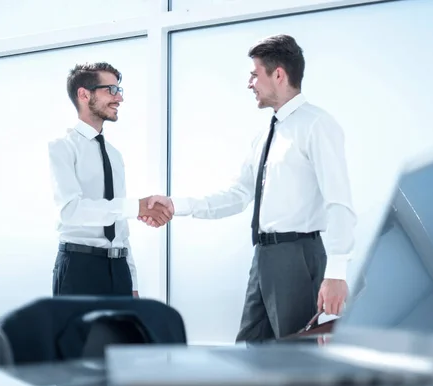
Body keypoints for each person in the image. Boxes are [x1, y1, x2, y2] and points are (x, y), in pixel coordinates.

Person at [143, 34, 356, 342]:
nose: (249, 82)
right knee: (248, 352)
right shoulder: (265, 136)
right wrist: (178, 205)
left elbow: (339, 200)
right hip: (264, 258)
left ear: (279, 74)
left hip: (298, 256)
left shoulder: (316, 125)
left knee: (297, 367)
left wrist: (337, 272)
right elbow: (239, 195)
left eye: (255, 74)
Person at [48, 62, 173, 298]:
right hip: (79, 268)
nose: (119, 99)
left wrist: (132, 280)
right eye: (111, 90)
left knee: (122, 336)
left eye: (119, 91)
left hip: (118, 269)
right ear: (84, 94)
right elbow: (70, 211)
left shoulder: (114, 155)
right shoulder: (61, 147)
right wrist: (136, 206)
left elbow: (119, 226)